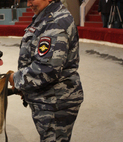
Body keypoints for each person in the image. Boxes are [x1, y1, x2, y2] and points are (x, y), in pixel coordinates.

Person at [8, 0, 84, 142]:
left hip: (55, 101)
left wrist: (16, 79)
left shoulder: (55, 22)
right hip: (49, 98)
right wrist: (26, 87)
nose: (29, 4)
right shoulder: (46, 15)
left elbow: (47, 69)